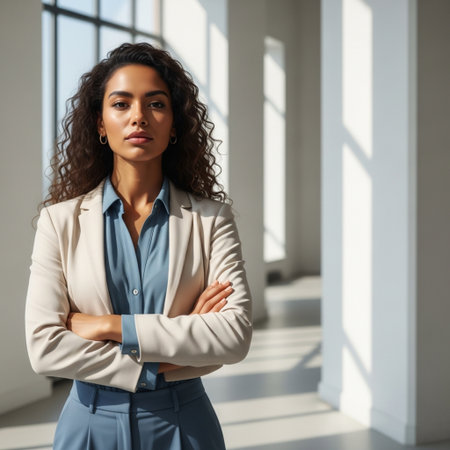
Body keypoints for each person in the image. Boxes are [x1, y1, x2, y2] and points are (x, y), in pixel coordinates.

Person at [25, 42, 252, 449]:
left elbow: (232, 336)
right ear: (99, 122)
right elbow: (45, 349)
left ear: (175, 123)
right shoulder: (59, 222)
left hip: (185, 427)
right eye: (121, 104)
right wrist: (174, 353)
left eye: (156, 104)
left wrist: (109, 326)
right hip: (88, 428)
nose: (139, 118)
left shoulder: (212, 220)